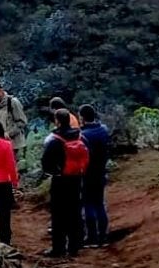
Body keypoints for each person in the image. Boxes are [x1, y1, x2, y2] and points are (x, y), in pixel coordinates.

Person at [41, 109, 89, 258]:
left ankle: (59, 248)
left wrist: (54, 171)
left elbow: (45, 162)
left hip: (60, 180)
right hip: (77, 178)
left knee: (59, 214)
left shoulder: (55, 140)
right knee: (75, 211)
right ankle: (74, 246)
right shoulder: (80, 136)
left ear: (57, 121)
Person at [79, 105, 113, 246]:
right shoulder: (103, 130)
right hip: (101, 171)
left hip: (87, 173)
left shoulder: (82, 135)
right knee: (99, 203)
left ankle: (91, 236)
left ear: (82, 117)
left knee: (88, 204)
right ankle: (103, 236)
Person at [0, 81, 28, 155]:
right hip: (0, 145)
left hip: (14, 145)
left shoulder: (13, 102)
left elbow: (22, 122)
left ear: (0, 90)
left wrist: (9, 133)